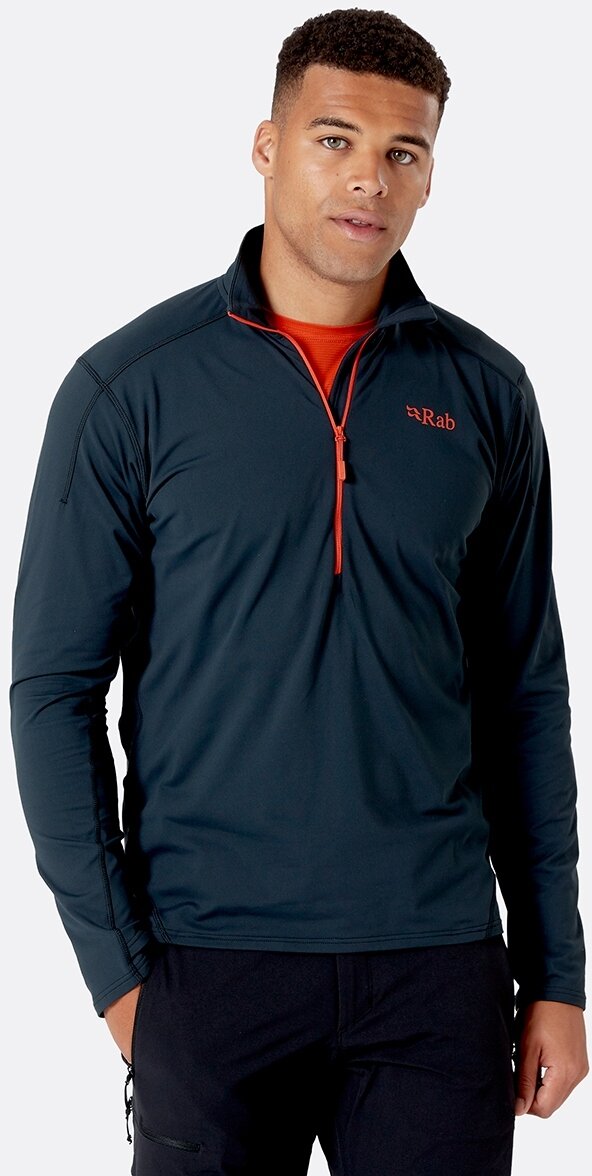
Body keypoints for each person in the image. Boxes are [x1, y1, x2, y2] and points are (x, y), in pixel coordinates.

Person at [9, 7, 588, 1175]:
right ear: (267, 147)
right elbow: (52, 693)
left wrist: (557, 975)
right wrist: (118, 976)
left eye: (402, 152)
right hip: (207, 966)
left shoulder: (485, 392)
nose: (368, 178)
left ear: (429, 177)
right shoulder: (130, 388)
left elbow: (524, 693)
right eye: (334, 140)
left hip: (435, 966)